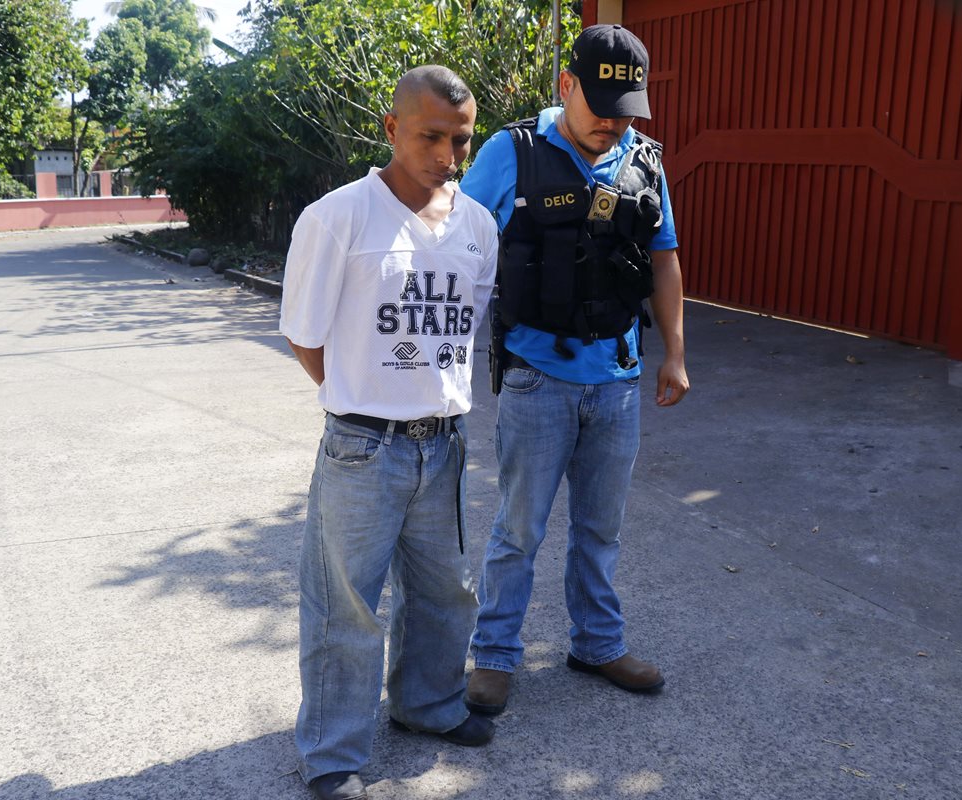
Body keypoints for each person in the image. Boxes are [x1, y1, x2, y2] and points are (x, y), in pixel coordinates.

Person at [279, 65, 498, 800]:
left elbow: (465, 330)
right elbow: (305, 335)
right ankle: (331, 752)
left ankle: (429, 705)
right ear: (392, 127)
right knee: (345, 605)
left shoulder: (478, 225)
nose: (446, 155)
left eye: (460, 140)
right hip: (362, 447)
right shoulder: (338, 217)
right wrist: (361, 399)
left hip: (446, 442)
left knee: (446, 592)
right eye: (430, 136)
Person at [459, 24, 690, 716]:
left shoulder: (644, 161)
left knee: (601, 529)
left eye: (627, 109)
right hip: (537, 378)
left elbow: (664, 259)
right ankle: (494, 655)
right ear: (566, 86)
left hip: (617, 380)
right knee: (518, 530)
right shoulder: (511, 153)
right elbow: (456, 244)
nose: (613, 123)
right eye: (601, 106)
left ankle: (597, 644)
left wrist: (676, 353)